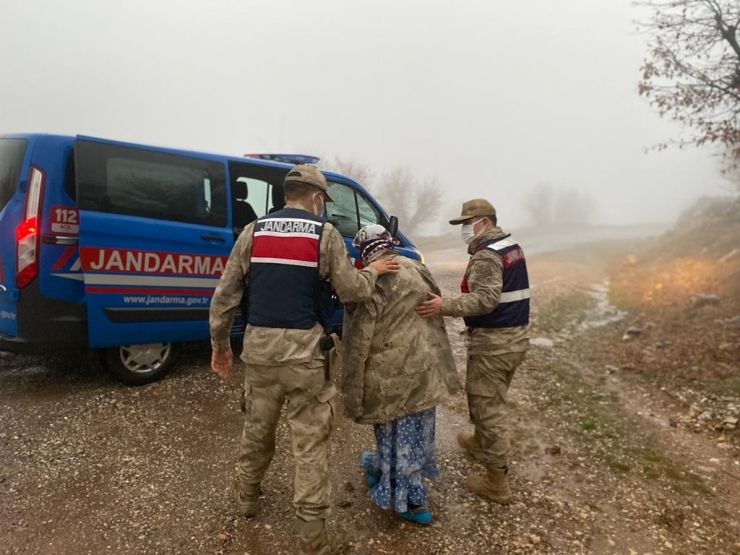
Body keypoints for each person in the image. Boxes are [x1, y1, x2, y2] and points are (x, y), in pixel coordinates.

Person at [209, 165, 400, 555]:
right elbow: (351, 292)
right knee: (310, 443)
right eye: (323, 202)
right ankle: (313, 540)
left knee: (257, 430)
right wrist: (373, 271)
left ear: (286, 194)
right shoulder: (324, 234)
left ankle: (247, 500)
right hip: (305, 358)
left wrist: (220, 346)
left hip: (260, 353)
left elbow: (225, 296)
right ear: (316, 198)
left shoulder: (253, 231)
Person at [341, 225, 461, 526]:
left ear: (364, 249)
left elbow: (359, 337)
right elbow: (434, 306)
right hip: (424, 370)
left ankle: (412, 501)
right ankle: (382, 471)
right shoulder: (416, 267)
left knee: (394, 435)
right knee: (417, 435)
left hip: (390, 377)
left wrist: (352, 386)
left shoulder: (373, 278)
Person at [416, 199, 530, 505]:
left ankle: (497, 482)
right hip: (514, 337)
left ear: (484, 221)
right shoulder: (510, 245)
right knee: (489, 397)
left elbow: (485, 300)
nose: (465, 229)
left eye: (468, 223)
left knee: (487, 407)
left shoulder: (487, 255)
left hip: (495, 342)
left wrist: (443, 306)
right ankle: (481, 444)